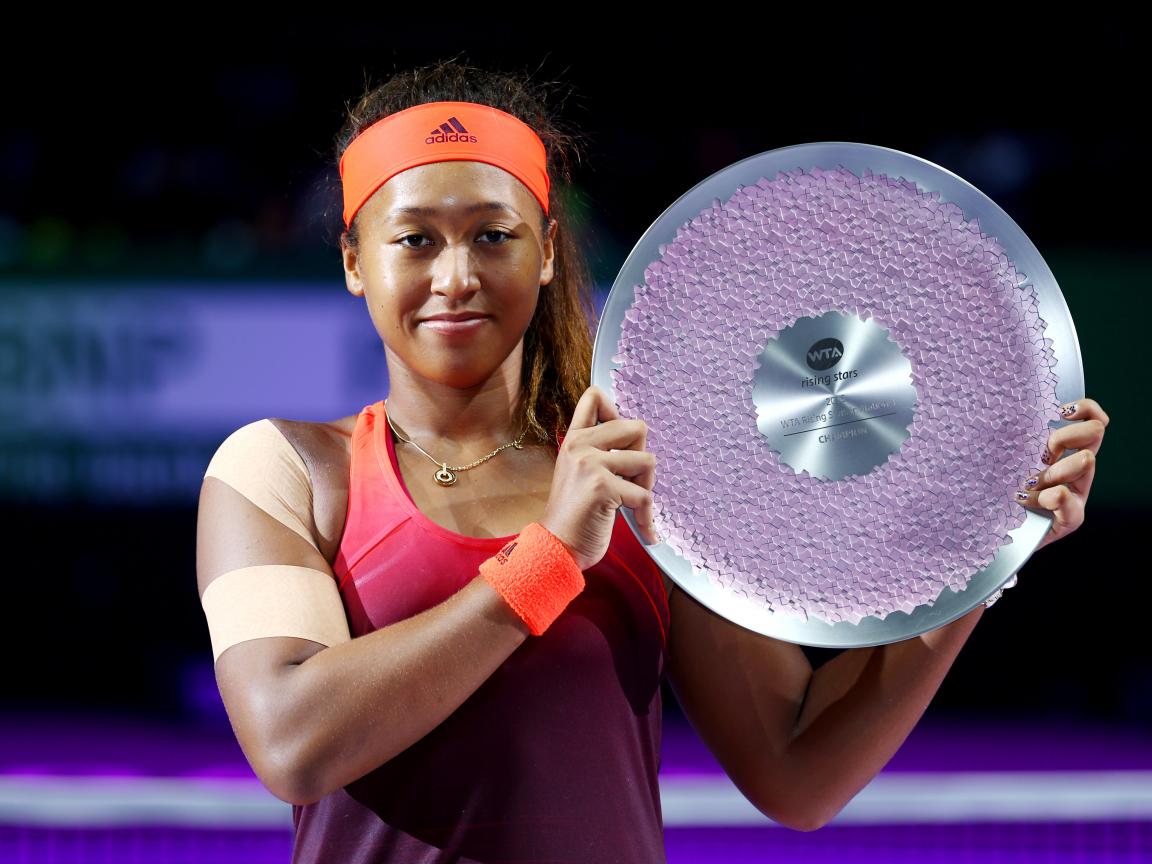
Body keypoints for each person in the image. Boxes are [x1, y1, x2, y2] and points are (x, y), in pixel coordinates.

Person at [195, 58, 1111, 863]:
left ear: (547, 252)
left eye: (493, 234)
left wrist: (982, 554)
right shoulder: (281, 471)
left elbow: (799, 774)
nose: (457, 275)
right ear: (355, 260)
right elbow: (294, 744)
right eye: (414, 239)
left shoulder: (643, 479)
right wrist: (549, 560)